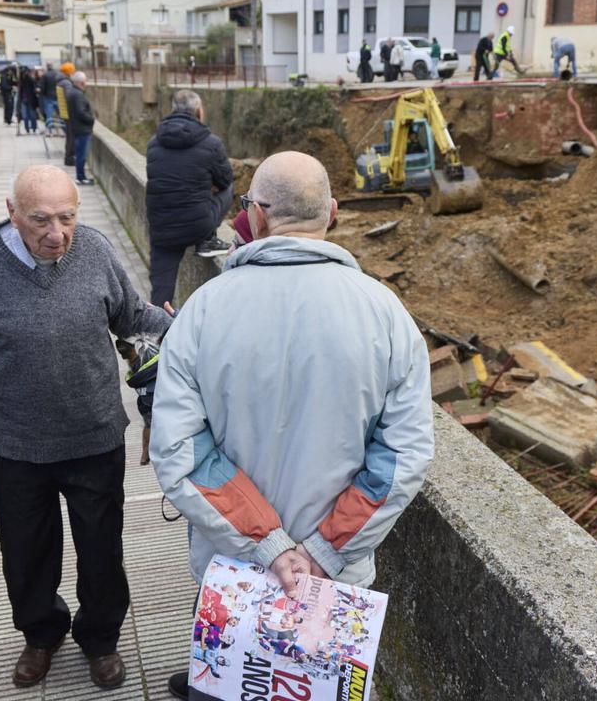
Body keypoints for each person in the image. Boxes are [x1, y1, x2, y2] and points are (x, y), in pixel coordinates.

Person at [150, 150, 434, 701]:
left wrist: (269, 545)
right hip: (334, 582)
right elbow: (402, 458)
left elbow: (181, 451)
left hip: (233, 569)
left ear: (255, 215)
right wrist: (323, 551)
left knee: (224, 688)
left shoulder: (203, 311)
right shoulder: (386, 314)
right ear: (331, 212)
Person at [0, 165, 172, 692]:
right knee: (25, 550)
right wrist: (3, 378)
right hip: (13, 441)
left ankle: (101, 639)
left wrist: (195, 324)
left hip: (93, 434)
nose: (56, 233)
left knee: (101, 547)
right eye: (40, 220)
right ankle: (41, 635)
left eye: (67, 217)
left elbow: (132, 315)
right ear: (12, 212)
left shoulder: (94, 249)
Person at [144, 89, 234, 307]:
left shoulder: (154, 143)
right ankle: (208, 240)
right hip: (198, 226)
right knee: (228, 188)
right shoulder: (212, 143)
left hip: (161, 227)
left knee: (161, 290)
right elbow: (224, 180)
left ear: (172, 110)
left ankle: (155, 333)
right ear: (199, 111)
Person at [65, 71, 96, 186]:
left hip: (76, 128)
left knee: (79, 154)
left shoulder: (72, 92)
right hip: (82, 129)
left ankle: (81, 176)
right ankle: (81, 177)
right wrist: (91, 119)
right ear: (82, 83)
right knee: (81, 155)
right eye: (85, 81)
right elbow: (81, 112)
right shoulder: (78, 95)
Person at [56, 63, 76, 166]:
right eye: (73, 71)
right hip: (69, 113)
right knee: (71, 137)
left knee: (69, 137)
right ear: (69, 72)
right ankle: (69, 158)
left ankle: (69, 157)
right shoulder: (67, 83)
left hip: (64, 113)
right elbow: (70, 97)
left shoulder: (60, 81)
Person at [39, 63, 61, 134]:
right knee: (60, 114)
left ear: (47, 67)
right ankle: (61, 130)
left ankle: (49, 130)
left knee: (49, 114)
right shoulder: (57, 74)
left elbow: (42, 88)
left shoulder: (45, 75)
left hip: (48, 97)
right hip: (57, 97)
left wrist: (41, 94)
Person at [18, 65, 39, 135]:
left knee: (31, 115)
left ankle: (33, 128)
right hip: (24, 100)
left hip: (30, 100)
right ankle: (28, 129)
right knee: (26, 116)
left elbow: (34, 84)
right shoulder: (21, 80)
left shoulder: (29, 79)